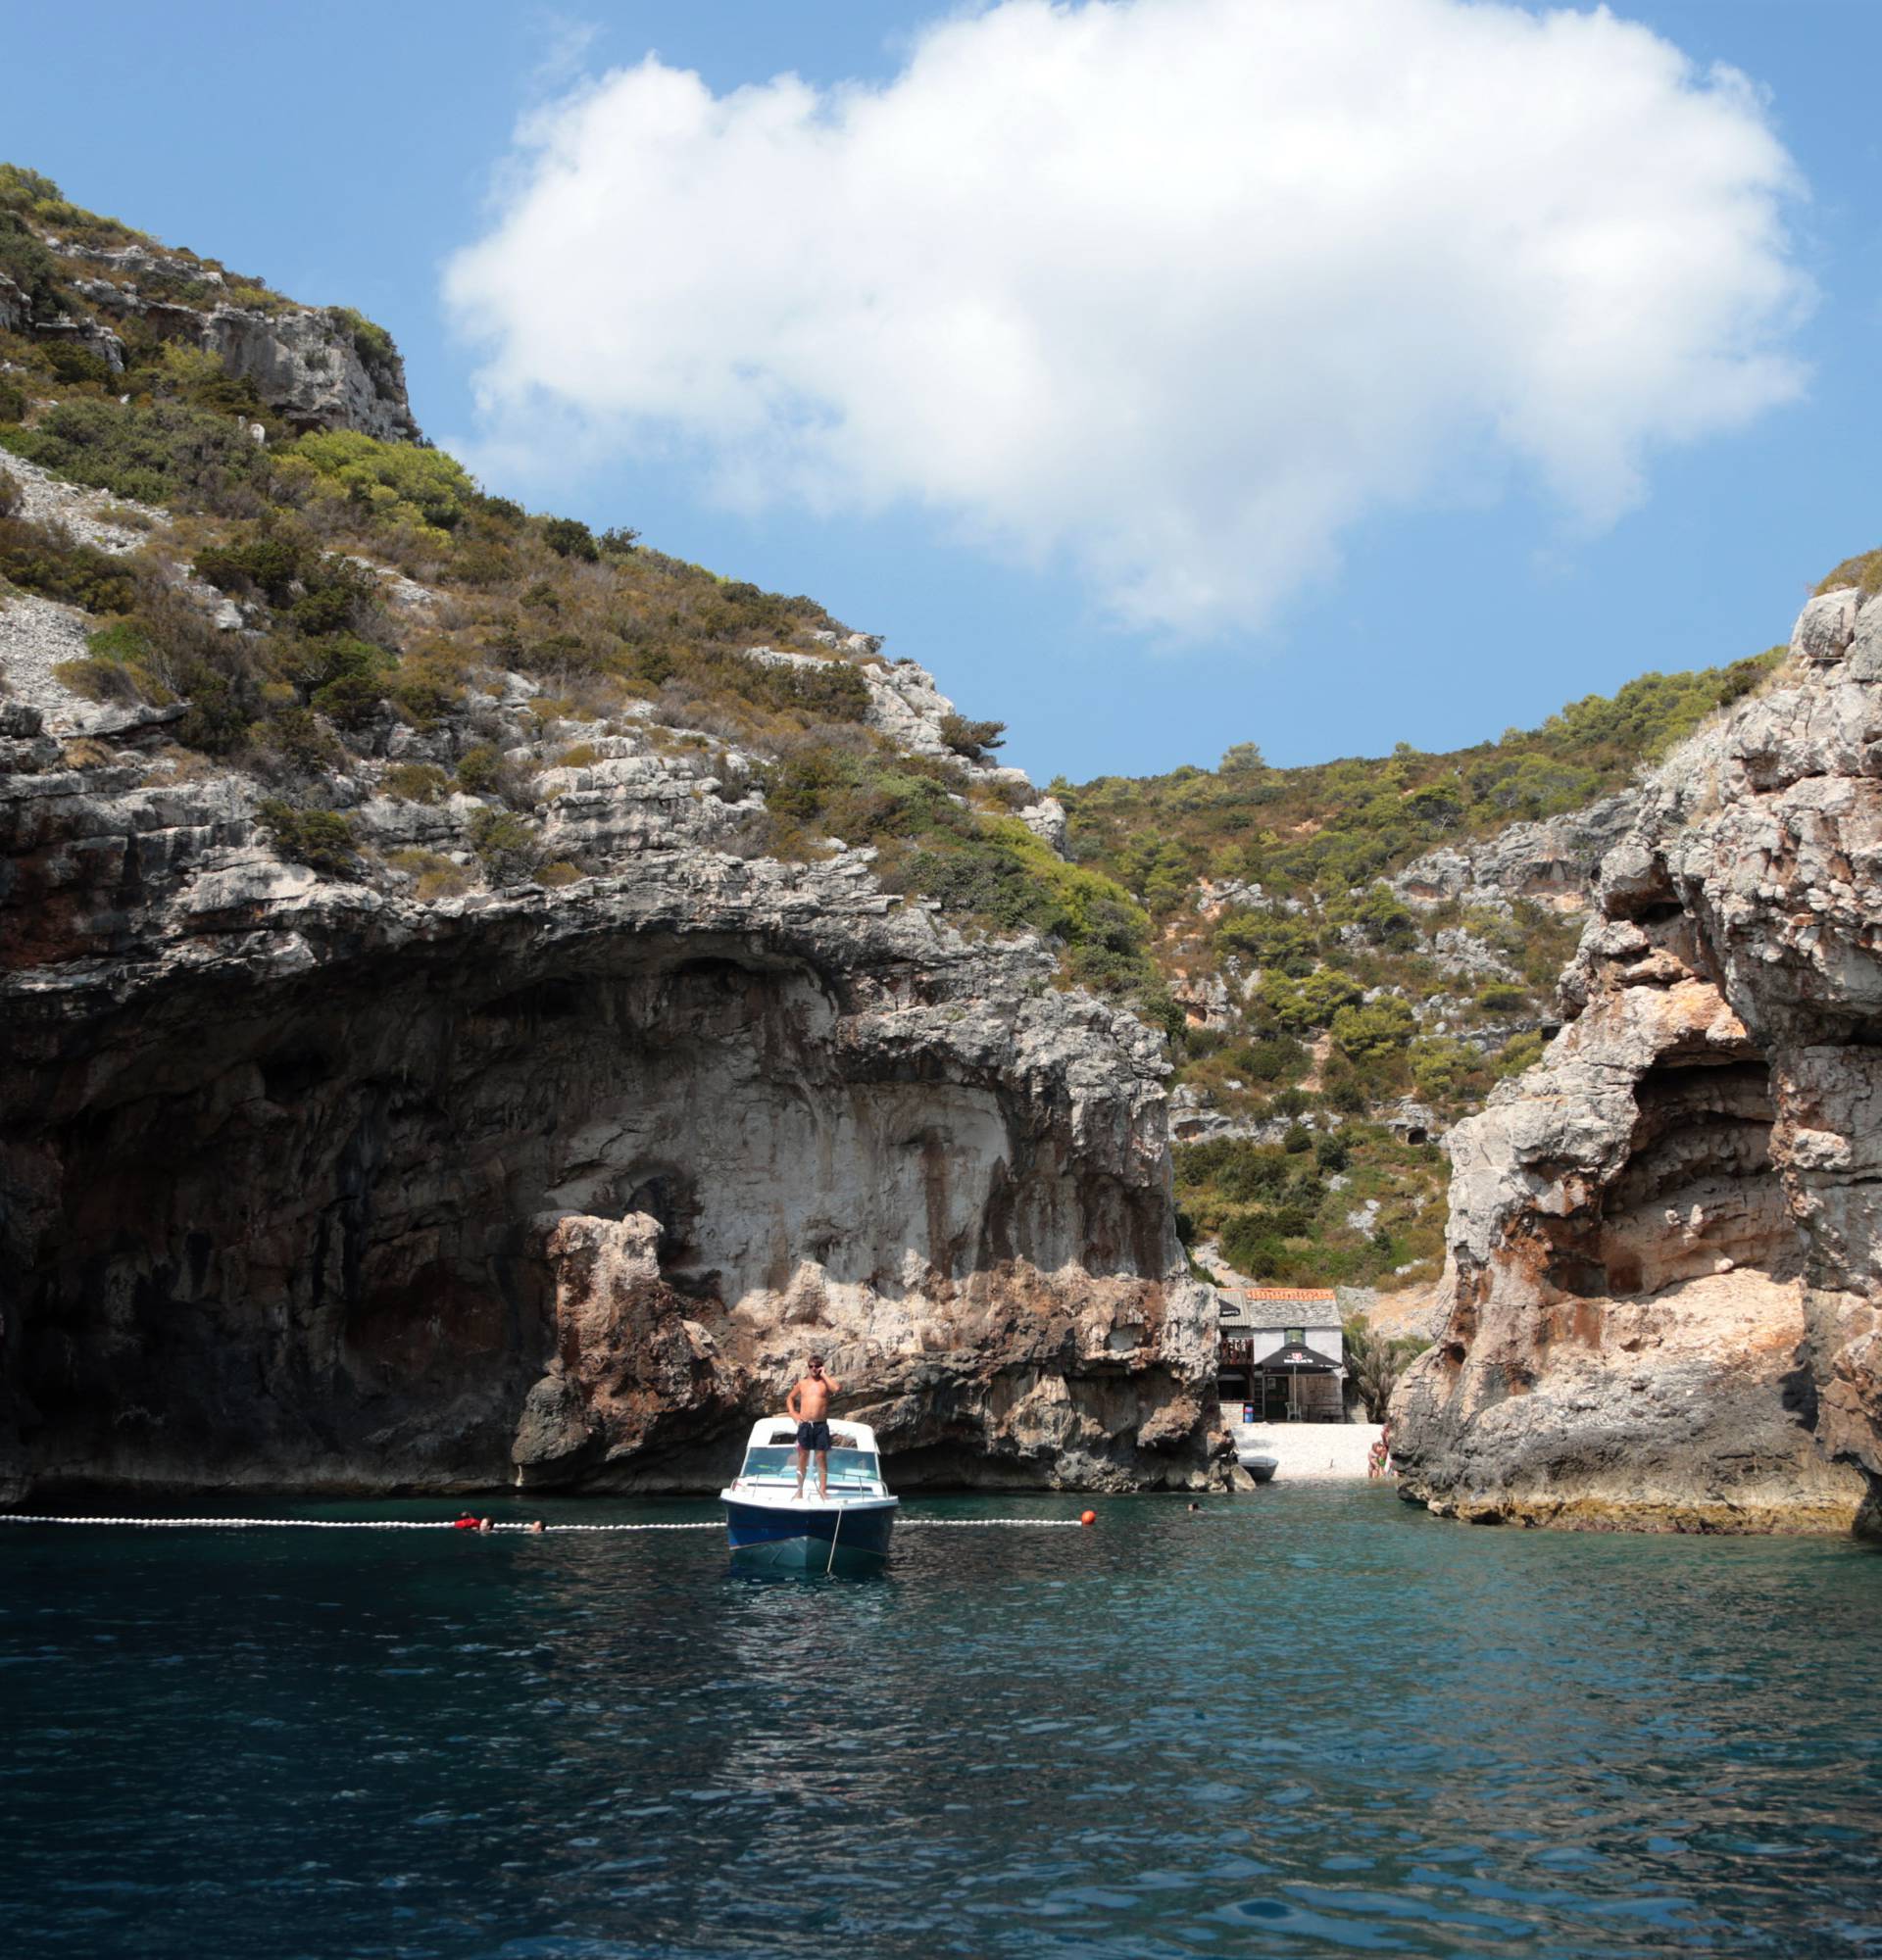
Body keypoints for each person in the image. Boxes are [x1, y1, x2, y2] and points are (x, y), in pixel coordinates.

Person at [786, 1352, 841, 1500]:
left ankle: (822, 1490)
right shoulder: (802, 1383)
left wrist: (824, 1374)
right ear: (808, 1367)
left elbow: (836, 1389)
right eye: (811, 1366)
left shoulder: (825, 1383)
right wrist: (793, 1413)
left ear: (821, 1367)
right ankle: (799, 1490)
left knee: (821, 1457)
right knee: (802, 1457)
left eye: (817, 1366)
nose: (814, 1369)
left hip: (821, 1426)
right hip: (805, 1425)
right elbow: (790, 1397)